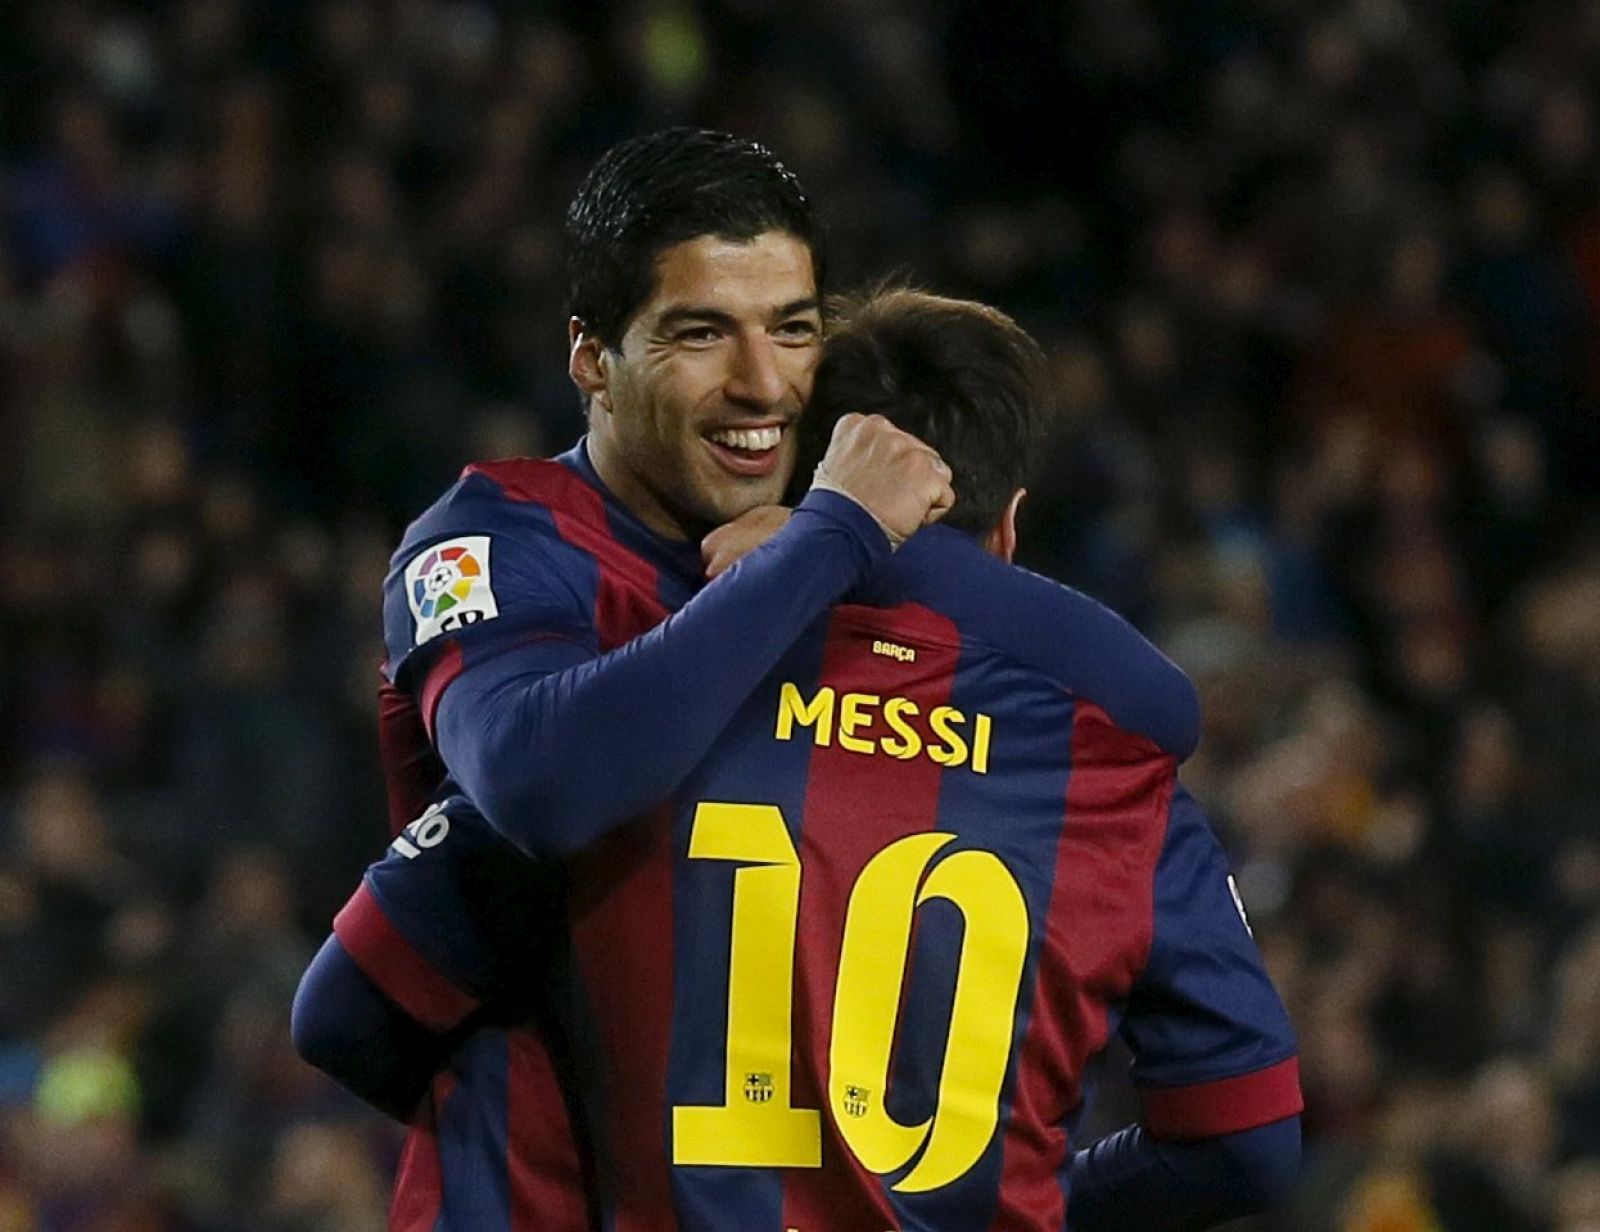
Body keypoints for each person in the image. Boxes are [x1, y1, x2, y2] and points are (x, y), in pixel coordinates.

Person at [298, 284, 1299, 1229]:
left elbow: (348, 1010)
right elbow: (1245, 1137)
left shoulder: (641, 718)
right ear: (1006, 528)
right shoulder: (1120, 764)